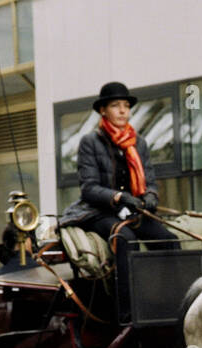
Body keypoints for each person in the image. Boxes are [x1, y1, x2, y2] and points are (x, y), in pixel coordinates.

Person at [69, 81, 176, 301]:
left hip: (134, 210)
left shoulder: (140, 143)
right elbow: (89, 188)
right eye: (116, 105)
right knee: (125, 238)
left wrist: (149, 197)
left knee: (170, 240)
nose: (122, 111)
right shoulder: (89, 142)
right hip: (99, 212)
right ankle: (128, 311)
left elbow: (151, 182)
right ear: (103, 110)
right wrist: (119, 197)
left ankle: (168, 299)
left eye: (126, 106)